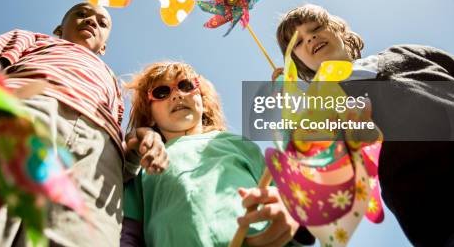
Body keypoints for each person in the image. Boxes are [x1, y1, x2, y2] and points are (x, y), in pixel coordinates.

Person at [274, 4, 454, 247]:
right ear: (298, 62)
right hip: (449, 218)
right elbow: (310, 177)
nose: (310, 37)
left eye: (316, 28)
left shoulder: (406, 52)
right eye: (298, 41)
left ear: (339, 31)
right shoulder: (321, 107)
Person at [0, 2, 168, 246]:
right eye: (81, 14)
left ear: (104, 47)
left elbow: (121, 145)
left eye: (102, 22)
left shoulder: (112, 83)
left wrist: (136, 145)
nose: (91, 21)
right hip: (26, 112)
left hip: (98, 154)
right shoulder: (30, 38)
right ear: (59, 29)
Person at [120, 61, 313, 247]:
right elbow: (128, 232)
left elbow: (295, 198)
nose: (177, 94)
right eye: (161, 92)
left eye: (186, 85)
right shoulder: (145, 163)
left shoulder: (238, 144)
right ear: (150, 114)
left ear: (202, 100)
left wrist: (291, 212)